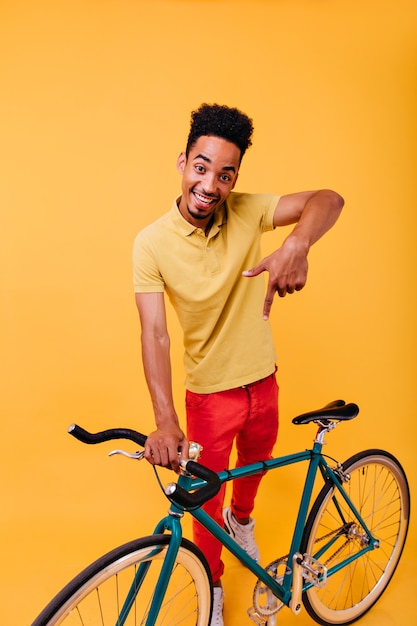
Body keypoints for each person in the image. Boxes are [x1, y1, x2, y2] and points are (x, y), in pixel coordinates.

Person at [133, 103, 344, 625]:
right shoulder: (151, 243)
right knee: (205, 510)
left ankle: (243, 518)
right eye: (201, 167)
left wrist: (298, 242)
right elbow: (155, 333)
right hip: (209, 394)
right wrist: (165, 421)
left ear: (234, 179)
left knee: (255, 468)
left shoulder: (249, 210)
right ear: (182, 162)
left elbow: (329, 199)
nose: (209, 184)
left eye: (224, 174)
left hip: (264, 383)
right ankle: (214, 586)